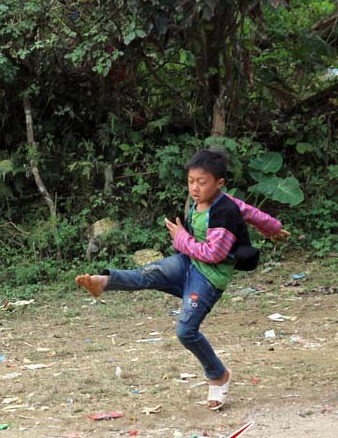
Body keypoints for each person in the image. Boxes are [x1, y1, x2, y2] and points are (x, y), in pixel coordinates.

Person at [75, 149, 289, 411]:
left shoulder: (224, 212)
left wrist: (180, 238)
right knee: (147, 274)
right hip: (187, 263)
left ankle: (218, 375)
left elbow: (214, 253)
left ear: (219, 183)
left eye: (202, 182)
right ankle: (103, 281)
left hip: (208, 278)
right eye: (191, 181)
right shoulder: (205, 203)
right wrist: (273, 228)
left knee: (185, 332)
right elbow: (253, 213)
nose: (195, 188)